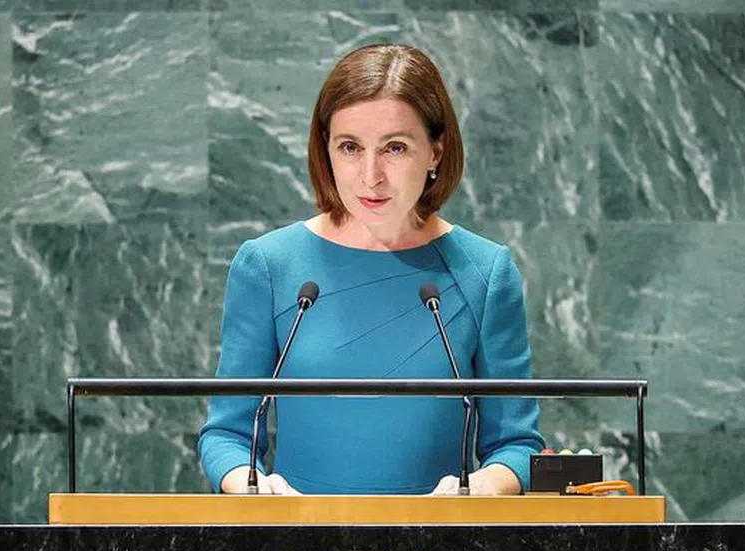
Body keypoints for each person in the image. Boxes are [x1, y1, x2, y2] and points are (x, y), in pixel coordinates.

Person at [198, 43, 543, 496]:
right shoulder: (268, 265)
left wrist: (478, 490)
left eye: (395, 148)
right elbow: (227, 436)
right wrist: (254, 489)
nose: (370, 175)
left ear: (435, 151)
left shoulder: (484, 271)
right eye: (349, 147)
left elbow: (516, 444)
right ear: (326, 150)